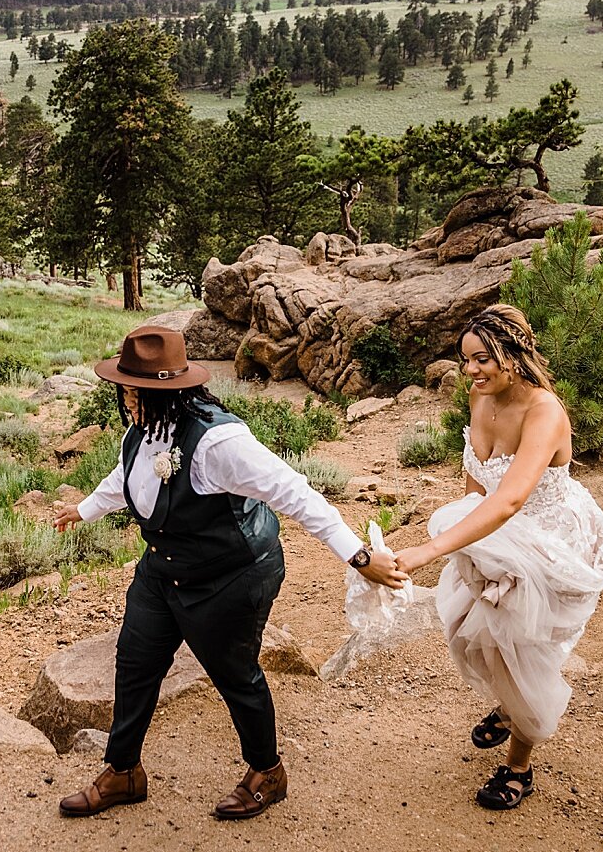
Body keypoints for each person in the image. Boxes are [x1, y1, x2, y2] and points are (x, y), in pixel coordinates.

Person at [53, 323, 405, 820]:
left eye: (135, 392)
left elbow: (295, 493)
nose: (127, 400)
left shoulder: (220, 443)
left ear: (166, 392)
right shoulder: (144, 430)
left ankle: (267, 771)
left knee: (234, 674)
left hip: (232, 574)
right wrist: (84, 509)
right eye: (124, 391)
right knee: (134, 663)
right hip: (164, 568)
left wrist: (359, 557)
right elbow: (126, 476)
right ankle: (124, 771)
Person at [391, 304, 603, 811]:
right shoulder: (479, 396)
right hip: (494, 535)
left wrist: (430, 549)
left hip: (548, 544)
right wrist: (469, 549)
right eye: (466, 360)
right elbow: (476, 486)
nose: (470, 371)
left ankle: (519, 766)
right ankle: (510, 707)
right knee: (479, 638)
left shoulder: (545, 412)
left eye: (482, 359)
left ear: (514, 353)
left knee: (526, 651)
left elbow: (510, 498)